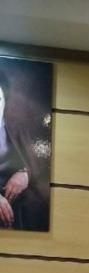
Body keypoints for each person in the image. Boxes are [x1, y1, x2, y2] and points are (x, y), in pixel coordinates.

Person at [0, 69, 48, 231]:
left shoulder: (17, 129)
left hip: (16, 196)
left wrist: (25, 173)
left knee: (38, 203)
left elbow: (41, 160)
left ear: (5, 100)